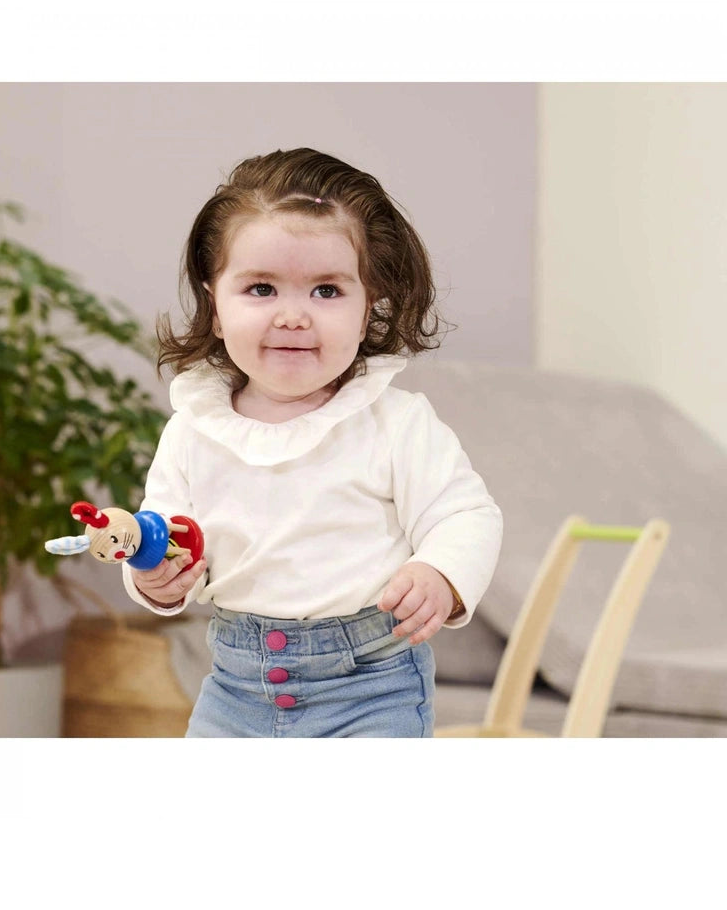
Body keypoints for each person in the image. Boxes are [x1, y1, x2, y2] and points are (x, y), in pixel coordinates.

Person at [123, 147, 503, 737]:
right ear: (215, 306)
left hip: (370, 688)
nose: (294, 316)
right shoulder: (194, 430)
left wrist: (440, 573)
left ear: (367, 307)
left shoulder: (393, 422)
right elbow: (166, 538)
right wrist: (155, 577)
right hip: (235, 690)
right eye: (261, 289)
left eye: (326, 291)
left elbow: (465, 514)